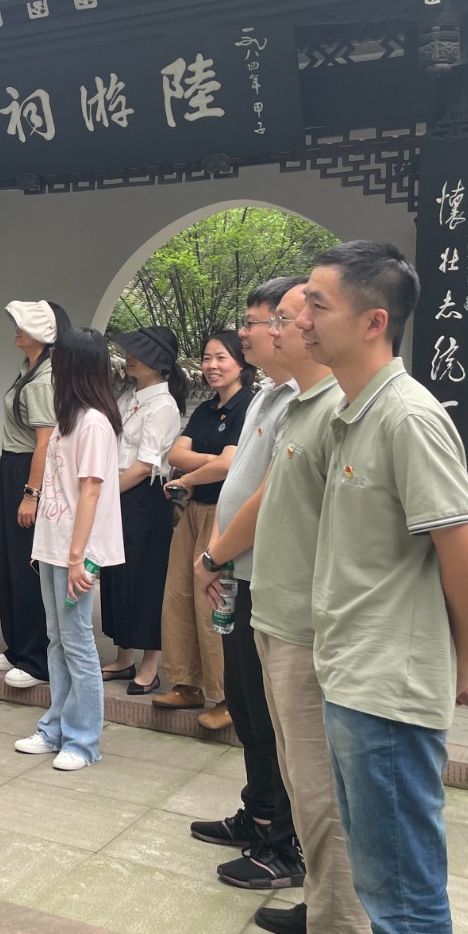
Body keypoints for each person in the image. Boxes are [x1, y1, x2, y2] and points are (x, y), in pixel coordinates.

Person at [297, 241, 468, 934]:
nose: (301, 317)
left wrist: (458, 664)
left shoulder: (409, 417)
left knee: (404, 893)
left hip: (387, 692)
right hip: (355, 677)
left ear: (373, 322)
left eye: (317, 304)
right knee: (381, 881)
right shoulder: (352, 413)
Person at [197, 278, 374, 934]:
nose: (272, 329)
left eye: (295, 316)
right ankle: (322, 911)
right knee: (300, 771)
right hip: (271, 602)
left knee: (322, 785)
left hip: (304, 617)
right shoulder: (295, 401)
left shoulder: (353, 407)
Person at [185, 279, 306, 894]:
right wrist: (218, 558)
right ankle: (257, 812)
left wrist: (215, 553)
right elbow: (239, 483)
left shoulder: (304, 400)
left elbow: (268, 493)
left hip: (265, 574)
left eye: (261, 321)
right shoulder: (266, 395)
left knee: (269, 708)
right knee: (244, 698)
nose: (253, 331)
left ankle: (284, 840)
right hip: (238, 571)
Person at [12, 326, 124, 771]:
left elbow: (90, 492)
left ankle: (83, 740)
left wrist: (79, 557)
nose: (52, 366)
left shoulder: (94, 422)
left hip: (79, 551)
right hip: (55, 545)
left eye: (58, 360)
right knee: (57, 640)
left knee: (77, 643)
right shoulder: (67, 418)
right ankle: (54, 728)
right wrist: (45, 545)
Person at [153, 331, 253, 716]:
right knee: (178, 595)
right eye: (207, 358)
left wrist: (191, 477)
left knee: (215, 602)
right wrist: (215, 463)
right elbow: (176, 453)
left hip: (225, 515)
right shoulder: (206, 410)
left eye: (221, 358)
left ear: (241, 362)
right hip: (193, 512)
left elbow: (231, 466)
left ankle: (228, 697)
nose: (212, 366)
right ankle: (186, 684)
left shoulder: (248, 406)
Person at [99, 325, 186, 695]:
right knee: (116, 573)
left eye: (140, 353)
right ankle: (124, 657)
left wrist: (103, 497)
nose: (129, 358)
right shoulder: (129, 396)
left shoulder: (163, 406)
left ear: (159, 362)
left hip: (143, 497)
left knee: (146, 578)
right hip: (117, 490)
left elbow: (144, 465)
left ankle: (150, 664)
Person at [0, 301, 68, 690]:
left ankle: (36, 658)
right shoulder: (30, 370)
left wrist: (31, 494)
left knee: (27, 564)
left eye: (23, 325)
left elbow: (45, 443)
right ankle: (18, 645)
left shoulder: (43, 380)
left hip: (28, 471)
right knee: (12, 559)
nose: (16, 329)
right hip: (15, 467)